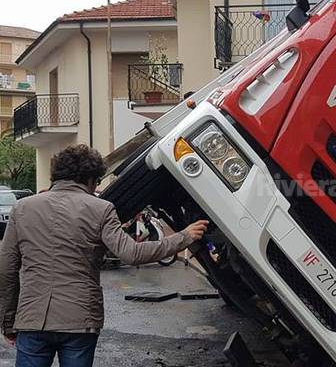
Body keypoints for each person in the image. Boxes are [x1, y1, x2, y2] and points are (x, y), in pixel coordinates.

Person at [0, 145, 209, 367]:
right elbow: (132, 253)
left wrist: (9, 321)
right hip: (80, 320)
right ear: (90, 178)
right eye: (97, 181)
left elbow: (6, 269)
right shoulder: (101, 209)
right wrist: (183, 237)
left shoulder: (23, 208)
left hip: (32, 318)